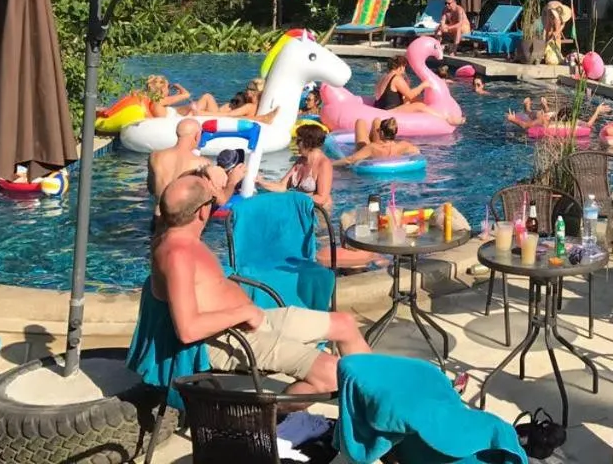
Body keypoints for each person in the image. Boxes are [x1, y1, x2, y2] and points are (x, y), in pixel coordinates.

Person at [151, 174, 370, 396]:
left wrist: (247, 313)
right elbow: (188, 330)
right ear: (202, 212)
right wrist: (244, 312)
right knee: (331, 374)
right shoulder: (178, 255)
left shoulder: (179, 235)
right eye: (211, 201)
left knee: (344, 324)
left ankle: (376, 399)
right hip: (228, 339)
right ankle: (267, 419)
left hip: (250, 321)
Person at [257, 123, 386, 270]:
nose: (296, 143)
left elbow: (322, 197)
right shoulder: (300, 162)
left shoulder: (323, 164)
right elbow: (281, 186)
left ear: (308, 142)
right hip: (301, 210)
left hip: (319, 214)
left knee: (323, 248)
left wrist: (293, 198)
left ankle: (368, 259)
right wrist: (262, 182)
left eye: (298, 140)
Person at [147, 119, 245, 210]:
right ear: (197, 136)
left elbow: (151, 189)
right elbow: (221, 201)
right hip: (183, 221)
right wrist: (233, 180)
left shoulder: (155, 156)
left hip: (157, 217)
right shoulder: (203, 163)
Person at [371, 55, 463, 124]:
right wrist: (423, 85)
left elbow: (392, 96)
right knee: (419, 106)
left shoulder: (384, 77)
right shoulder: (396, 78)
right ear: (401, 66)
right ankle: (447, 119)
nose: (404, 71)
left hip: (380, 108)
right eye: (404, 67)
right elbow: (410, 94)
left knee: (415, 100)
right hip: (388, 112)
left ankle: (431, 110)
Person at [339, 118, 421, 163]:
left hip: (371, 153)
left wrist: (331, 164)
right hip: (386, 150)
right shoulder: (404, 145)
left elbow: (350, 160)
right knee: (377, 121)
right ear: (395, 132)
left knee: (360, 122)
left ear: (380, 132)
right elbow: (417, 151)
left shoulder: (372, 148)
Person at [144, 75, 221, 119]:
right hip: (184, 121)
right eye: (168, 87)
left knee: (194, 104)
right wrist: (179, 86)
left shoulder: (154, 101)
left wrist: (178, 95)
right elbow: (187, 95)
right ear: (163, 89)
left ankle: (220, 117)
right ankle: (221, 120)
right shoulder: (161, 100)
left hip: (180, 119)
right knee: (207, 96)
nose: (169, 90)